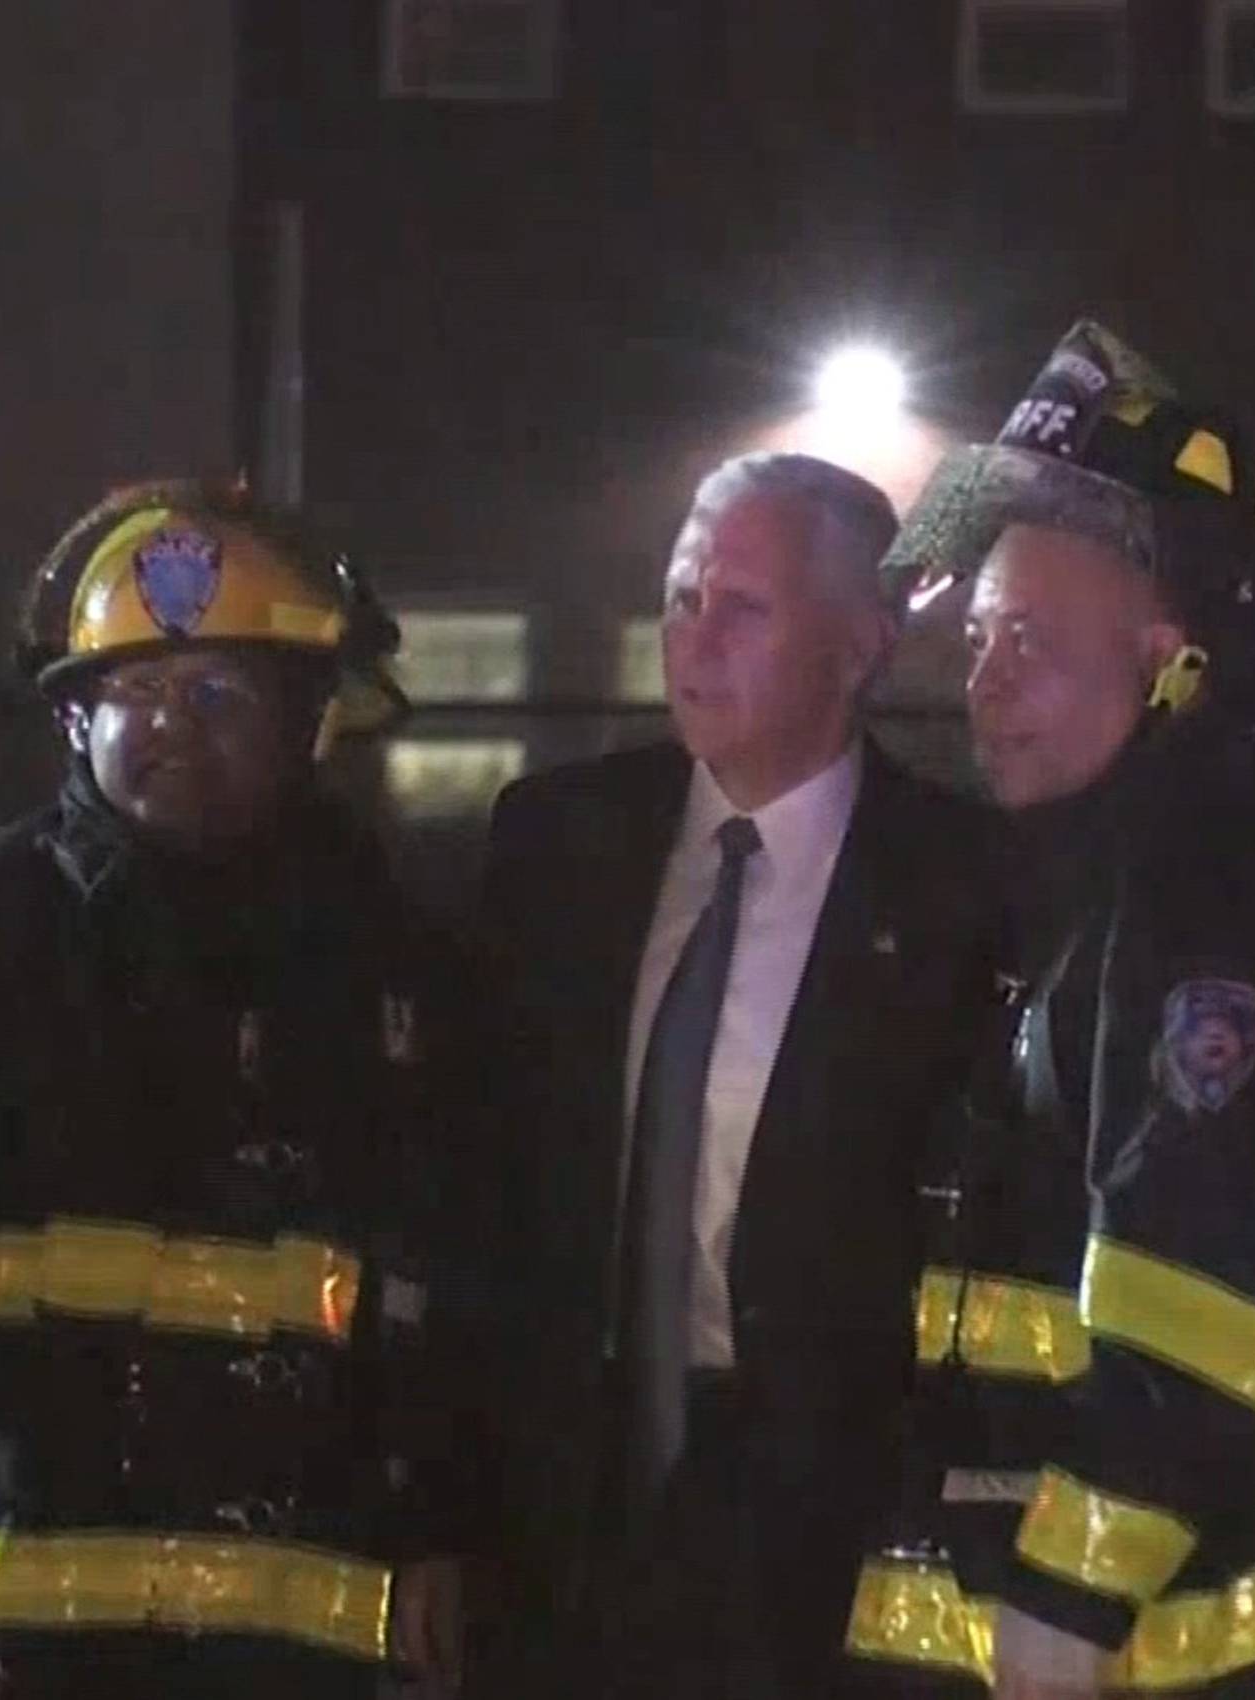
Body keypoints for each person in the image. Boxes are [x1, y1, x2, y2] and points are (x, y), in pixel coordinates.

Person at [0, 480, 471, 1698]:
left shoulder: (394, 982)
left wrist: (441, 1530)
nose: (171, 724)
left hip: (258, 1662)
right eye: (133, 693)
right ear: (72, 723)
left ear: (311, 716)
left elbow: (443, 1284)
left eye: (218, 691)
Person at [847, 323, 1255, 1699]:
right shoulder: (1092, 879)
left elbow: (1214, 1275)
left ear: (1176, 659)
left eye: (1029, 641)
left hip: (1167, 1655)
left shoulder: (1231, 877)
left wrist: (1066, 1589)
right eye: (977, 639)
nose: (981, 686)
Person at [477, 452, 1002, 1698]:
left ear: (858, 647)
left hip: (822, 1519)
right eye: (680, 597)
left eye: (743, 607)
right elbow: (482, 1168)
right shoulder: (557, 843)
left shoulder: (961, 889)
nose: (693, 638)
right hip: (564, 1494)